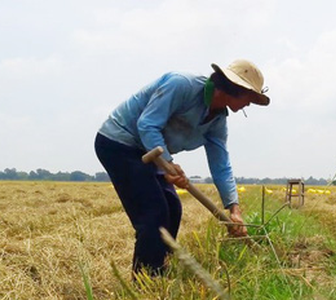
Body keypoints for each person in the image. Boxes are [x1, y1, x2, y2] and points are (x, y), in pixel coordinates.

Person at [95, 59, 269, 276]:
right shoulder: (182, 85)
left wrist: (233, 208)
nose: (248, 105)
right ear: (236, 89)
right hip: (120, 143)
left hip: (152, 153)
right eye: (249, 99)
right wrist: (169, 164)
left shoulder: (217, 121)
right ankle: (146, 279)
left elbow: (221, 164)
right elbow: (147, 124)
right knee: (154, 212)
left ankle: (160, 266)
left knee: (173, 208)